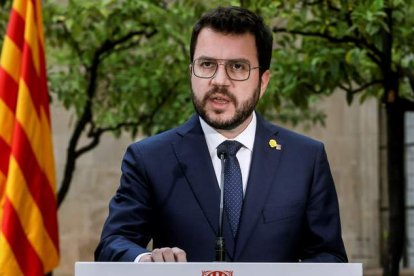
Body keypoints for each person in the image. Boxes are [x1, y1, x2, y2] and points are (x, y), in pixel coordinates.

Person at [95, 6, 348, 263]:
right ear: (191, 71)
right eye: (207, 64)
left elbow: (329, 256)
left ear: (263, 81)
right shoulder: (149, 158)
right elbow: (112, 245)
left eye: (237, 67)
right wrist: (145, 261)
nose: (219, 81)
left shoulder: (305, 159)